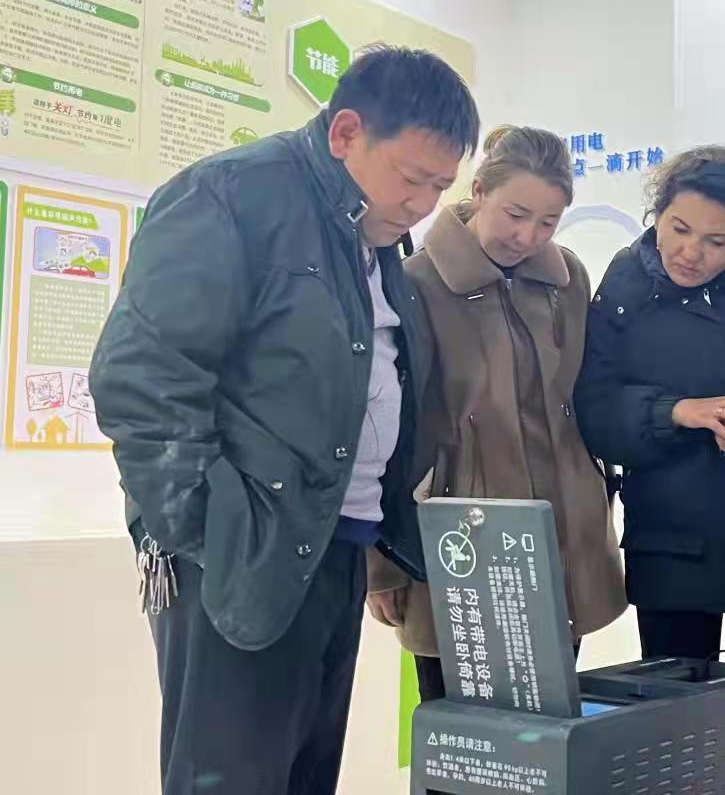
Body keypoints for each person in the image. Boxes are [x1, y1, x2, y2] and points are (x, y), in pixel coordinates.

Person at [89, 46, 479, 795]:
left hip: (336, 544)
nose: (422, 204)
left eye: (440, 185)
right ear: (346, 133)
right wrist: (211, 529)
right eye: (411, 177)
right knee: (231, 777)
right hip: (242, 547)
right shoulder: (232, 196)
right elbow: (141, 378)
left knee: (303, 775)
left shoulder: (369, 235)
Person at [365, 125, 627, 706]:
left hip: (563, 533)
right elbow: (384, 427)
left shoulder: (566, 280)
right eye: (516, 214)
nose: (528, 236)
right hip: (458, 538)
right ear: (479, 191)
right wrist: (380, 565)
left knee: (546, 730)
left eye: (548, 222)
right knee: (459, 736)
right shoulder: (414, 282)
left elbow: (579, 399)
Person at [575, 146, 725, 670]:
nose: (690, 252)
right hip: (671, 547)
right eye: (679, 229)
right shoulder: (625, 284)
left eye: (716, 241)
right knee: (674, 702)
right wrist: (677, 412)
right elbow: (595, 408)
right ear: (657, 213)